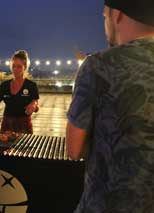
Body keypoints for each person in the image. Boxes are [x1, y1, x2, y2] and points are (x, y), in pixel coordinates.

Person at [66, 0, 154, 212]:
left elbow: (73, 149)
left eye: (105, 16)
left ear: (117, 15)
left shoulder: (98, 66)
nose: (105, 23)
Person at [0, 50, 39, 134]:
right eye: (13, 66)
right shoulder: (4, 85)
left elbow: (36, 107)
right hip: (7, 124)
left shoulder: (31, 85)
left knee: (25, 146)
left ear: (25, 67)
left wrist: (34, 105)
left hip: (24, 124)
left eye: (19, 66)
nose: (15, 69)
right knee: (4, 146)